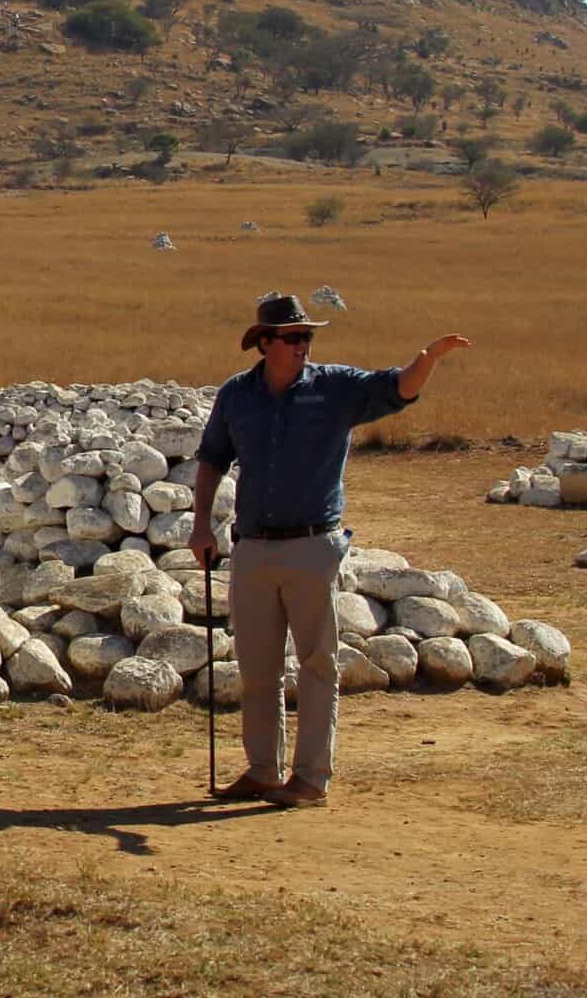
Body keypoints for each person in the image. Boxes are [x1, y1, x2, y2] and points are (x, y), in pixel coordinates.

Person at [189, 293, 470, 809]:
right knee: (257, 666)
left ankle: (311, 779)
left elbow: (395, 389)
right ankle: (262, 769)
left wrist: (426, 361)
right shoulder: (237, 396)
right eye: (294, 337)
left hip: (313, 546)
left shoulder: (335, 388)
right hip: (252, 547)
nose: (303, 346)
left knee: (317, 664)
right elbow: (212, 458)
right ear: (265, 343)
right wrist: (201, 525)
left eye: (308, 338)